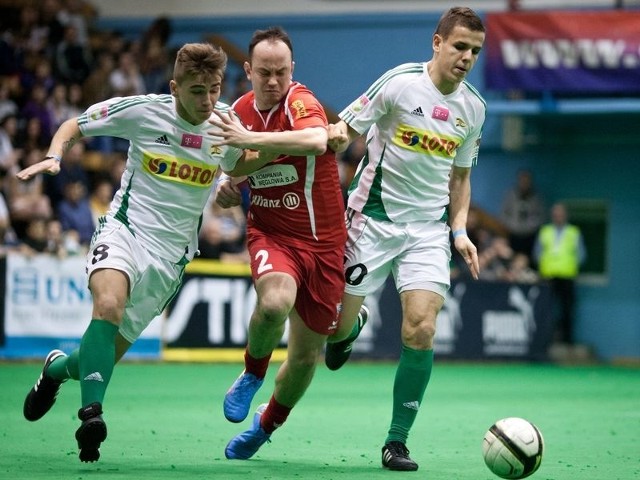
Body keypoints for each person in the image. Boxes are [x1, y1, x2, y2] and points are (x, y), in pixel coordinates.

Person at [17, 42, 248, 463]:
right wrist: (54, 157)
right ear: (175, 87)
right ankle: (91, 415)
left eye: (215, 89)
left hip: (171, 256)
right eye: (198, 91)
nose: (209, 100)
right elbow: (75, 125)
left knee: (99, 359)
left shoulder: (227, 123)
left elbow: (239, 164)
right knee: (107, 305)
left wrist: (232, 187)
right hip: (125, 229)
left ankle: (53, 370)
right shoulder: (144, 110)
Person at [323, 7, 484, 472]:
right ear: (436, 42)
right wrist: (333, 137)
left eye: (474, 50)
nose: (466, 57)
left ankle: (397, 441)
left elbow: (461, 179)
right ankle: (350, 327)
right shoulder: (398, 83)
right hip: (371, 219)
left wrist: (459, 230)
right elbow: (346, 128)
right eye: (459, 46)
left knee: (421, 329)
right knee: (334, 340)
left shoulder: (473, 108)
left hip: (428, 231)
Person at [209, 26, 347, 461]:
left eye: (281, 72)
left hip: (325, 245)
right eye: (264, 72)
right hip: (273, 233)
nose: (273, 81)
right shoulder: (235, 112)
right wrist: (227, 187)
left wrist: (253, 144)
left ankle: (266, 424)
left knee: (307, 357)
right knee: (274, 304)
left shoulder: (301, 101)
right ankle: (252, 373)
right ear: (247, 70)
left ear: (293, 70)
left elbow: (315, 139)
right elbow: (226, 168)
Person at [533, 202, 586, 353]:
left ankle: (567, 341)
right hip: (548, 277)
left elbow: (581, 255)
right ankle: (545, 341)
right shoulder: (545, 231)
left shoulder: (573, 232)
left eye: (560, 213)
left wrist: (570, 265)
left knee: (567, 309)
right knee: (546, 310)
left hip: (567, 277)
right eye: (555, 213)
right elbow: (537, 253)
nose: (558, 216)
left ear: (565, 215)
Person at [500, 169, 545, 257]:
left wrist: (531, 226)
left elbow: (541, 216)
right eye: (522, 180)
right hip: (513, 234)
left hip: (530, 235)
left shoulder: (536, 198)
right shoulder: (510, 195)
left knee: (529, 258)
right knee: (511, 258)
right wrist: (512, 226)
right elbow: (503, 214)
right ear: (518, 180)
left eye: (527, 180)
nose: (524, 183)